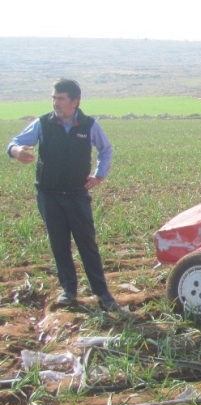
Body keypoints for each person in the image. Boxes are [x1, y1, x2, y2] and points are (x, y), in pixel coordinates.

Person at [6, 78, 118, 311]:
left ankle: (102, 293)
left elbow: (105, 150)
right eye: (54, 98)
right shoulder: (43, 123)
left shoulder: (88, 125)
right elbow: (14, 143)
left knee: (87, 243)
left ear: (75, 101)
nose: (55, 102)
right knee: (59, 244)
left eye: (60, 98)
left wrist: (100, 175)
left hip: (77, 194)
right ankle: (69, 291)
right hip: (49, 194)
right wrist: (17, 151)